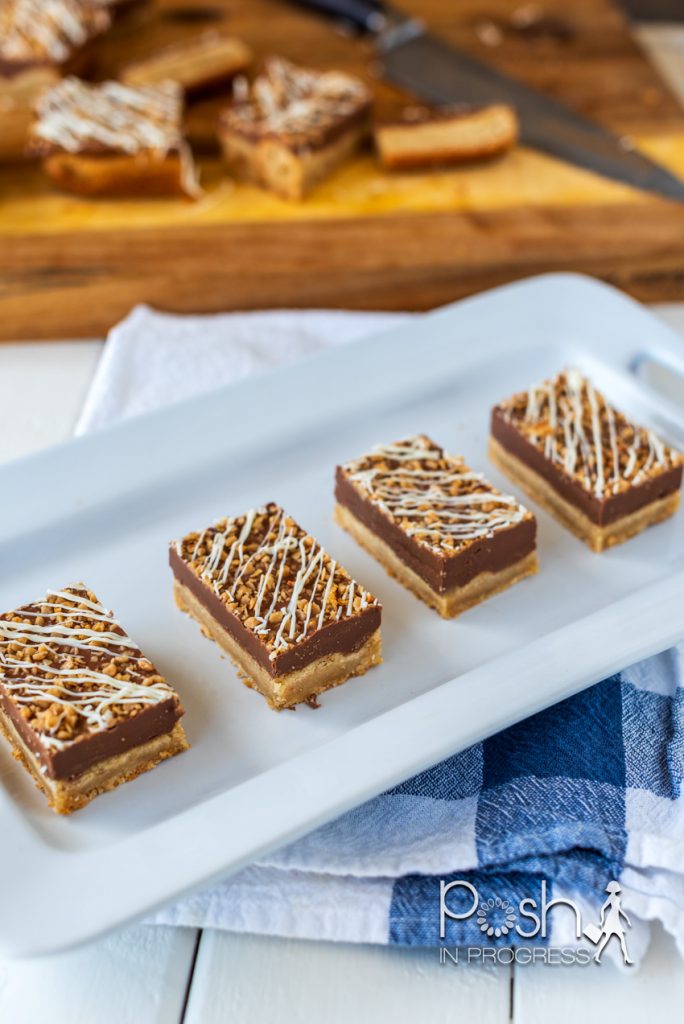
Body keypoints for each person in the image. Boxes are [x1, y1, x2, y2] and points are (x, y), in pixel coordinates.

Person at [594, 880, 633, 965]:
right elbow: (603, 908)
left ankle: (626, 957)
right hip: (612, 920)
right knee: (609, 939)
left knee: (619, 939)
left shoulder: (617, 898)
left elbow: (619, 910)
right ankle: (598, 955)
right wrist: (602, 921)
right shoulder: (611, 898)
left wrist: (627, 920)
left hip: (615, 919)